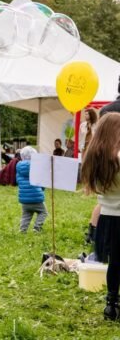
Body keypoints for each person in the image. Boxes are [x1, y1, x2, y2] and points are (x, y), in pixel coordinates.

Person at [79, 112, 120, 320]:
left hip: (107, 218)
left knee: (115, 263)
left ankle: (111, 305)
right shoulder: (118, 158)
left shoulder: (95, 158)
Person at [16, 146, 47, 233]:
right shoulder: (36, 166)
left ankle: (22, 230)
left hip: (24, 199)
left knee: (26, 215)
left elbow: (18, 181)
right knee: (43, 212)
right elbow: (41, 181)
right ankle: (36, 228)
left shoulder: (19, 167)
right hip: (36, 198)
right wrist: (42, 189)